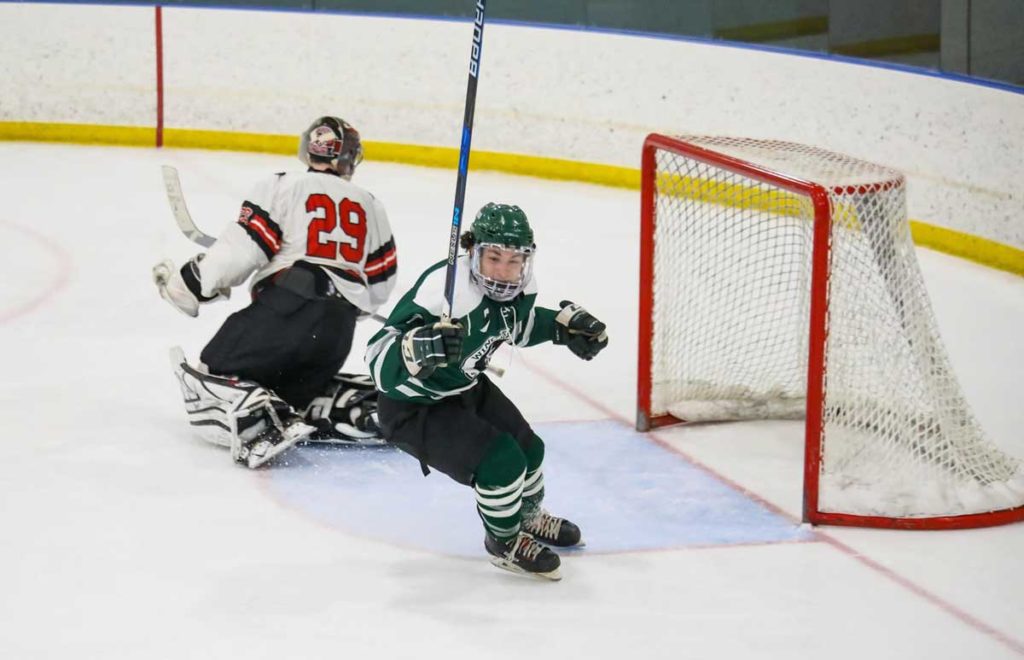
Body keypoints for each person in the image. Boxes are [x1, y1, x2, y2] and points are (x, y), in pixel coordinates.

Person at [365, 202, 607, 580]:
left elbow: (517, 327)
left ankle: (526, 515)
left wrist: (563, 328)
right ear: (472, 251)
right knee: (501, 463)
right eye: (494, 257)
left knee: (530, 449)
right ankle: (504, 540)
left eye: (515, 260)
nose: (505, 271)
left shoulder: (520, 290)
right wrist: (415, 349)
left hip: (465, 386)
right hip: (414, 406)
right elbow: (378, 360)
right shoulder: (444, 292)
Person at [154, 116, 398, 468]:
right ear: (349, 157)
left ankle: (256, 420)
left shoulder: (283, 186)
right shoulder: (371, 204)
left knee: (214, 369)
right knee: (290, 383)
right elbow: (380, 283)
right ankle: (344, 404)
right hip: (337, 333)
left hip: (286, 311)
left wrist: (190, 285)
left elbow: (242, 250)